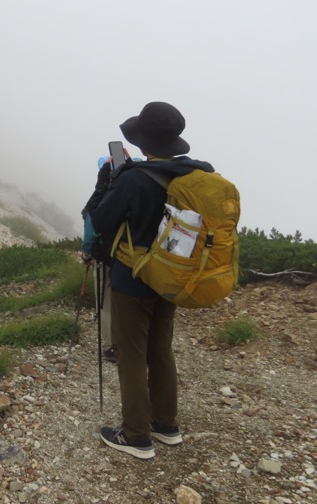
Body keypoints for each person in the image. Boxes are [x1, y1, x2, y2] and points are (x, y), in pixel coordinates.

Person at [89, 101, 215, 460]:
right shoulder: (193, 176)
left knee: (130, 353)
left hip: (134, 278)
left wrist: (107, 182)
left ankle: (136, 435)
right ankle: (166, 424)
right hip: (173, 277)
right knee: (160, 349)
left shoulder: (133, 178)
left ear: (144, 142)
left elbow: (101, 220)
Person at [81, 156, 116, 364]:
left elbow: (89, 231)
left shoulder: (100, 197)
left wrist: (86, 254)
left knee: (105, 304)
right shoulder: (128, 193)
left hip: (104, 259)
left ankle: (109, 347)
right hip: (131, 259)